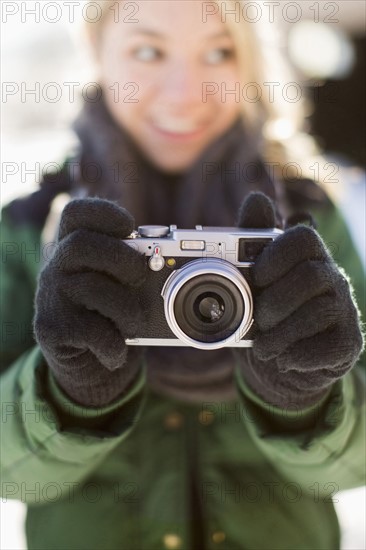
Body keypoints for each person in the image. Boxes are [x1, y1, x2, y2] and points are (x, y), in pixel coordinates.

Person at [1, 1, 365, 549]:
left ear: (248, 61)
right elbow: (11, 478)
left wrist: (305, 402)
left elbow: (353, 472)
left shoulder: (308, 223)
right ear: (98, 54)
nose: (185, 91)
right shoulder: (35, 230)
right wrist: (68, 393)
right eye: (148, 50)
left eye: (218, 52)